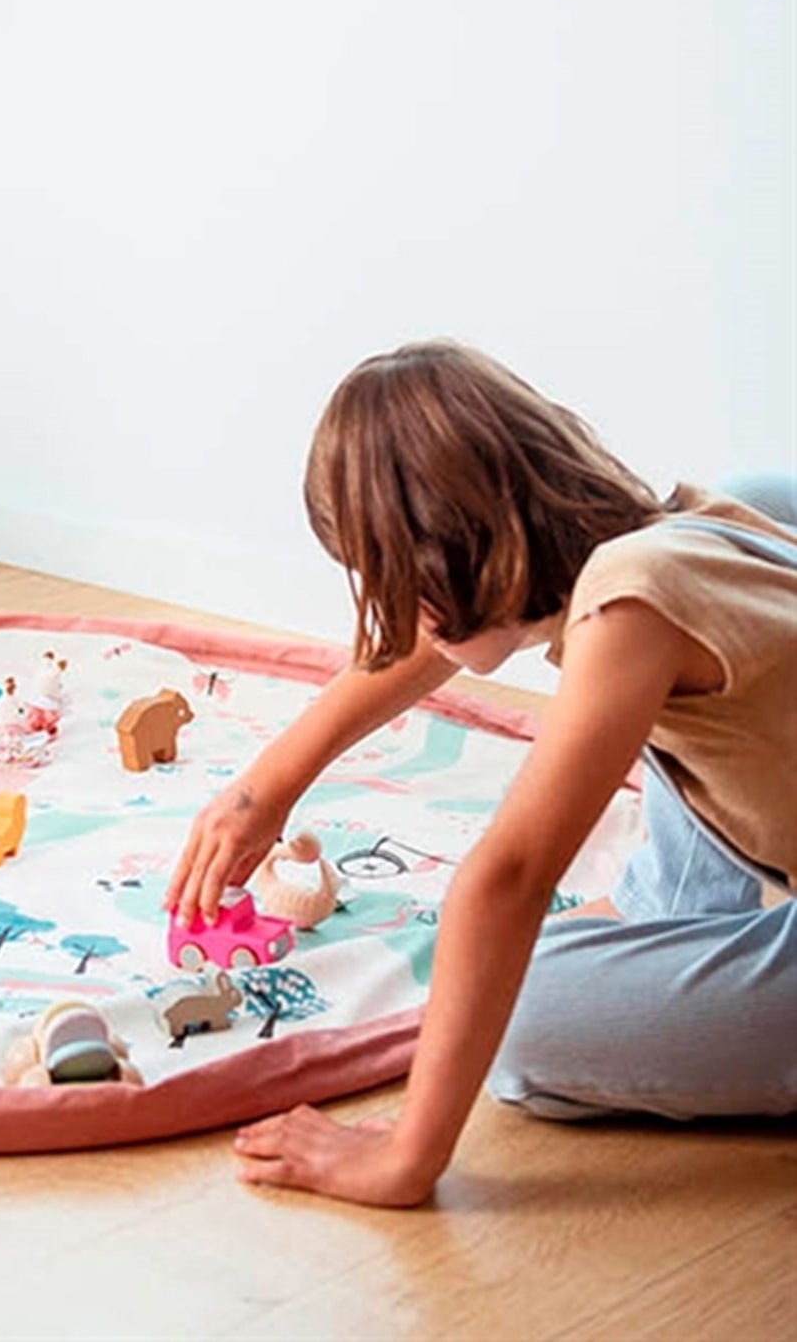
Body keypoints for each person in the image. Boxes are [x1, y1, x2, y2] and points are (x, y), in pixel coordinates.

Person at [165, 342, 796, 1208]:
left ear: (453, 559)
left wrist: (405, 1158)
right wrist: (265, 786)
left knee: (523, 1022)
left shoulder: (633, 607)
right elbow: (443, 637)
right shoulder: (690, 536)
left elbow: (508, 879)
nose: (396, 615)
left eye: (390, 581)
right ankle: (673, 915)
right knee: (761, 504)